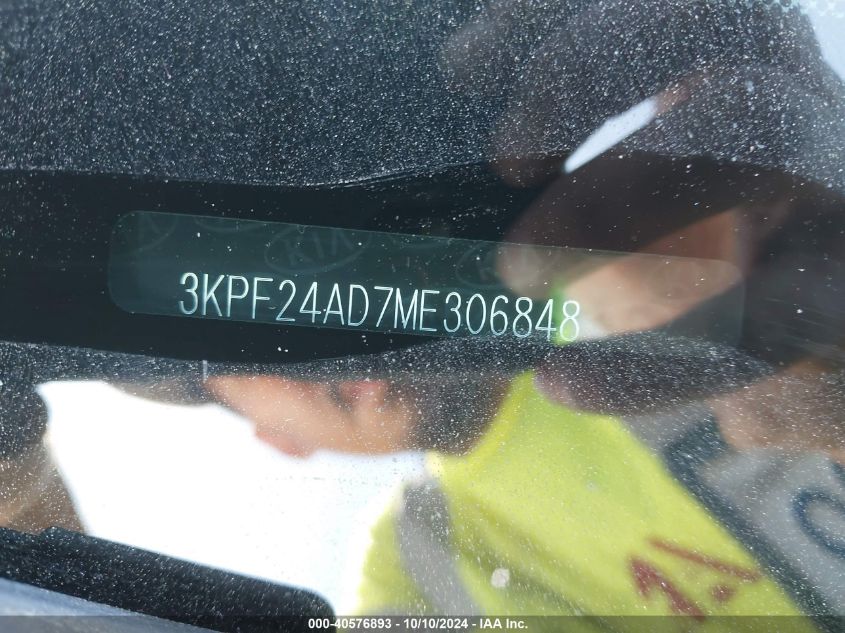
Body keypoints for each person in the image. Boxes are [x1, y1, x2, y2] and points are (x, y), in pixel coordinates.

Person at [208, 0, 845, 626]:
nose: (317, 318)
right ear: (276, 439)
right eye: (231, 313)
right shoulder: (417, 567)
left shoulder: (651, 269)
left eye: (304, 269)